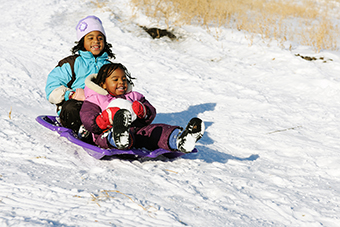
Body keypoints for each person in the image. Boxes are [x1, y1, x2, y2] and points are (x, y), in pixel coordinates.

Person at [79, 63, 205, 153]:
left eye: (124, 79)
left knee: (157, 130)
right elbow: (88, 119)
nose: (121, 82)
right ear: (103, 84)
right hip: (105, 132)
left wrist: (143, 111)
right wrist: (105, 119)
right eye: (115, 79)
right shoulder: (96, 99)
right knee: (106, 137)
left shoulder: (133, 96)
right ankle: (118, 137)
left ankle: (179, 140)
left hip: (137, 130)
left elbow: (151, 112)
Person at [45, 15, 115, 136]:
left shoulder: (110, 67)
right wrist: (71, 95)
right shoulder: (72, 63)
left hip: (101, 107)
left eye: (100, 38)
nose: (96, 41)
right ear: (82, 41)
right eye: (90, 38)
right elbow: (52, 86)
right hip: (78, 105)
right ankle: (84, 130)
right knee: (72, 108)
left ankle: (119, 134)